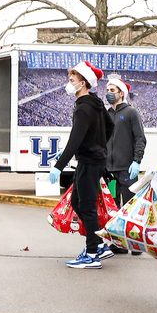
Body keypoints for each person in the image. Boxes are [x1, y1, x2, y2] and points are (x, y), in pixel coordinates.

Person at [47, 60, 112, 269]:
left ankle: (92, 254)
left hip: (89, 161)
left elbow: (75, 140)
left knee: (86, 205)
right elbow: (110, 127)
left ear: (82, 82)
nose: (69, 82)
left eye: (72, 79)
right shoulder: (96, 103)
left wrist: (59, 166)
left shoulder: (84, 108)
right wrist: (98, 143)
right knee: (77, 201)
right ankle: (99, 244)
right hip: (94, 159)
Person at [105, 75, 147, 252]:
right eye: (107, 91)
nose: (109, 94)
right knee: (115, 209)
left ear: (122, 93)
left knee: (131, 208)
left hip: (127, 169)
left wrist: (136, 161)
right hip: (110, 171)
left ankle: (135, 244)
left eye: (112, 91)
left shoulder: (131, 113)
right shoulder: (107, 114)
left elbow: (140, 138)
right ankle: (119, 244)